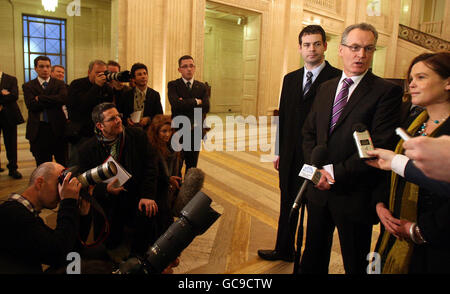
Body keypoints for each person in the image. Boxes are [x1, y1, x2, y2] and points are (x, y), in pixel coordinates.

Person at [300, 23, 403, 274]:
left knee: (356, 263)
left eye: (369, 49)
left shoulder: (386, 92)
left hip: (355, 194)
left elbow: (378, 146)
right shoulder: (325, 88)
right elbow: (309, 133)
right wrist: (318, 171)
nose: (361, 55)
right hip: (318, 191)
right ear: (341, 50)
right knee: (312, 258)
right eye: (355, 47)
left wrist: (333, 173)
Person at [257, 25, 341, 262]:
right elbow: (282, 118)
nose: (311, 49)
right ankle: (283, 248)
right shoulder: (290, 78)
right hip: (290, 156)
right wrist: (278, 151)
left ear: (325, 46)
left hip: (318, 157)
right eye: (306, 45)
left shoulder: (336, 78)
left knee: (316, 209)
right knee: (287, 202)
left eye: (316, 44)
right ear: (299, 48)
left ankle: (311, 261)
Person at [366, 51, 450, 274]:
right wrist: (381, 204)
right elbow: (393, 169)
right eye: (411, 78)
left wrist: (419, 230)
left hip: (435, 245)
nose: (411, 84)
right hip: (393, 229)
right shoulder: (413, 120)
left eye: (421, 77)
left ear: (448, 83)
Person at [76, 102, 158, 258]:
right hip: (108, 200)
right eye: (112, 119)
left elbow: (151, 167)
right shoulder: (86, 149)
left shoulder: (137, 136)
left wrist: (147, 195)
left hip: (137, 193)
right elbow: (83, 181)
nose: (119, 120)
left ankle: (138, 257)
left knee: (147, 216)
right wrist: (105, 189)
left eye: (118, 116)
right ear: (100, 126)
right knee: (110, 244)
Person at [0, 162, 82, 273]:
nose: (61, 190)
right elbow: (58, 253)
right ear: (39, 183)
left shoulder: (24, 212)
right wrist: (68, 202)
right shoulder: (13, 214)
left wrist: (83, 214)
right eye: (59, 184)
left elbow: (69, 249)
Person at [23, 56, 68, 166]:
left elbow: (62, 99)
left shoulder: (59, 84)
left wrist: (41, 98)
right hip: (39, 131)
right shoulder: (28, 86)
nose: (45, 69)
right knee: (43, 164)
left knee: (63, 163)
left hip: (57, 129)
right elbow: (32, 105)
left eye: (48, 66)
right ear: (35, 68)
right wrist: (53, 99)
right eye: (41, 66)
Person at [168, 55, 210, 174]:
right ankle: (175, 192)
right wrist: (196, 101)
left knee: (192, 166)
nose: (189, 69)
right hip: (178, 131)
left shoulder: (202, 87)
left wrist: (184, 102)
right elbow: (176, 105)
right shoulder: (173, 85)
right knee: (176, 165)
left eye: (191, 66)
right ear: (179, 70)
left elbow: (206, 107)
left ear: (195, 68)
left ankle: (189, 191)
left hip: (195, 132)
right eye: (185, 66)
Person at [66, 60, 114, 165]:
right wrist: (96, 87)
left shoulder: (107, 89)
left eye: (104, 73)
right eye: (98, 73)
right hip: (80, 135)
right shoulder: (76, 84)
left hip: (100, 134)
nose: (102, 76)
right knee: (77, 165)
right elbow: (79, 108)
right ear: (89, 72)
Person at [147, 114, 182, 243]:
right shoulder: (152, 149)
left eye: (170, 131)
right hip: (156, 190)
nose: (168, 135)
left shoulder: (173, 146)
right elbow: (152, 174)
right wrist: (167, 180)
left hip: (168, 188)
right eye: (164, 131)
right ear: (156, 132)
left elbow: (175, 169)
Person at [117, 63, 163, 129]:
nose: (143, 76)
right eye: (139, 74)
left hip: (148, 131)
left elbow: (159, 116)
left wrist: (148, 119)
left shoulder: (155, 95)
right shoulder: (126, 95)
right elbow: (120, 114)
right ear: (133, 79)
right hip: (130, 130)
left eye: (145, 73)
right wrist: (127, 120)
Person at [0, 70, 24, 179]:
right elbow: (9, 96)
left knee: (11, 143)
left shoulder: (11, 79)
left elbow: (14, 96)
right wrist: (2, 93)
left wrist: (8, 95)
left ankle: (13, 168)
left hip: (8, 116)